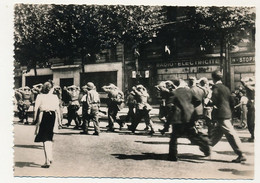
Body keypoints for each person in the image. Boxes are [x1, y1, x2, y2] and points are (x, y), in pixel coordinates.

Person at [167, 79, 210, 161]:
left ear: (174, 85)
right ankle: (205, 145)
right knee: (192, 134)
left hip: (178, 118)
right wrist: (190, 107)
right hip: (189, 116)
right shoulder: (189, 91)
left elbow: (169, 105)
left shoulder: (174, 92)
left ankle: (172, 156)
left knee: (174, 137)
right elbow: (197, 100)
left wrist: (173, 110)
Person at [210, 70, 246, 163]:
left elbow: (213, 101)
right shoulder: (226, 88)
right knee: (217, 132)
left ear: (213, 78)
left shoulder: (215, 88)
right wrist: (230, 111)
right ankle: (207, 147)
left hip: (221, 114)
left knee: (230, 134)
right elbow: (232, 101)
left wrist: (211, 104)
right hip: (227, 113)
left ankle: (241, 154)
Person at [34, 81, 61, 168]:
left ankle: (47, 161)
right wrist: (60, 121)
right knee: (49, 138)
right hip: (53, 116)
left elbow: (36, 109)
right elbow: (57, 110)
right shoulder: (55, 97)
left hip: (44, 116)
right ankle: (50, 157)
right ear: (51, 88)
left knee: (45, 139)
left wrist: (35, 119)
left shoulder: (40, 96)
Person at [241, 77, 255, 142]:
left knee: (251, 121)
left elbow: (242, 80)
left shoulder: (250, 88)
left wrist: (249, 78)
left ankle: (253, 136)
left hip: (252, 105)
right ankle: (253, 136)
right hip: (252, 104)